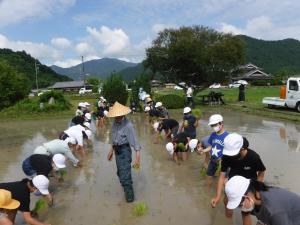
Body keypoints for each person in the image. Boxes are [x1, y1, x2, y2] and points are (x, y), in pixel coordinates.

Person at [211, 133, 266, 225]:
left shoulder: (254, 157)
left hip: (248, 185)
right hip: (233, 183)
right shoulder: (227, 157)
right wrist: (217, 197)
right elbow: (222, 177)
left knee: (245, 211)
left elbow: (262, 171)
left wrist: (256, 190)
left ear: (243, 148)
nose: (230, 156)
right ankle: (228, 221)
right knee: (227, 203)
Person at [225, 175, 300, 225]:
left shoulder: (274, 211)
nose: (241, 206)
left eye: (240, 203)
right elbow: (249, 215)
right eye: (238, 205)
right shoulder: (254, 198)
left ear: (249, 192)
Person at [106, 102, 141, 203]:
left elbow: (135, 142)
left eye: (118, 116)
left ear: (123, 114)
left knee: (125, 175)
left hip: (125, 151)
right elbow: (114, 138)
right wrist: (111, 151)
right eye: (115, 116)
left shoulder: (128, 126)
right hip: (117, 150)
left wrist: (137, 158)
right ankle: (125, 186)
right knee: (120, 172)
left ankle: (130, 200)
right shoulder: (114, 124)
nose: (116, 117)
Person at [198, 114, 229, 185]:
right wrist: (203, 151)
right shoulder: (213, 135)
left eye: (215, 125)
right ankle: (207, 192)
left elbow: (230, 152)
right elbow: (210, 147)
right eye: (212, 125)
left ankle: (225, 195)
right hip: (213, 160)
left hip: (223, 162)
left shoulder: (228, 136)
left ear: (221, 123)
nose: (213, 127)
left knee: (224, 180)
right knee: (208, 176)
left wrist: (222, 159)